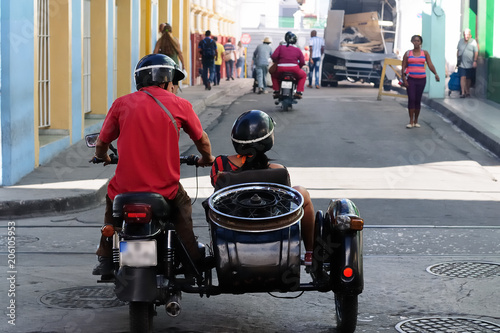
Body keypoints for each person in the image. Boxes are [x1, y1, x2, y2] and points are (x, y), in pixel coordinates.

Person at [91, 54, 215, 277]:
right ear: (165, 80)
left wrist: (103, 157)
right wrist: (207, 159)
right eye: (174, 82)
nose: (175, 87)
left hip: (125, 189)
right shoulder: (181, 105)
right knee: (183, 207)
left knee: (112, 201)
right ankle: (192, 260)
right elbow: (202, 140)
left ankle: (106, 256)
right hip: (165, 189)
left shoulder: (121, 104)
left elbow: (102, 142)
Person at [210, 110, 315, 266]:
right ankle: (310, 253)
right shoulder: (279, 171)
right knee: (302, 193)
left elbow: (218, 190)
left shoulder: (220, 165)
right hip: (272, 227)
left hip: (233, 227)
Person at [401, 35, 440, 129]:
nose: (416, 42)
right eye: (414, 41)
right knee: (412, 98)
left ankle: (416, 121)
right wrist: (404, 79)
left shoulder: (425, 53)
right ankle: (410, 121)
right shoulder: (407, 53)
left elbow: (430, 64)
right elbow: (403, 67)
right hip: (411, 80)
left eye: (418, 41)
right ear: (412, 42)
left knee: (418, 100)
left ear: (420, 42)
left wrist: (435, 73)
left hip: (421, 80)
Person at [271, 31, 307, 99]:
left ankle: (276, 91)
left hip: (280, 68)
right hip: (294, 69)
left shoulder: (280, 47)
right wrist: (299, 67)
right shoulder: (297, 49)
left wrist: (278, 61)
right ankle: (298, 92)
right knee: (303, 75)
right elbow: (302, 61)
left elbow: (273, 56)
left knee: (274, 75)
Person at [154, 23, 186, 94]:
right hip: (174, 65)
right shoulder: (175, 40)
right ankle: (173, 96)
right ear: (171, 31)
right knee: (175, 82)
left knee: (165, 82)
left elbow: (155, 53)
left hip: (163, 66)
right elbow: (180, 53)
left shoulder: (160, 41)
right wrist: (183, 64)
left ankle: (166, 97)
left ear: (163, 31)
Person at [457, 28, 478, 98]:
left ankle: (467, 91)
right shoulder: (460, 41)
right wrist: (458, 60)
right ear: (463, 35)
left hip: (470, 64)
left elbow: (476, 52)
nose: (466, 36)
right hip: (462, 64)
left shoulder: (473, 42)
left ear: (470, 35)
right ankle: (463, 92)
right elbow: (458, 51)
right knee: (462, 77)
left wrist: (475, 61)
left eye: (468, 34)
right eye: (465, 34)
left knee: (468, 79)